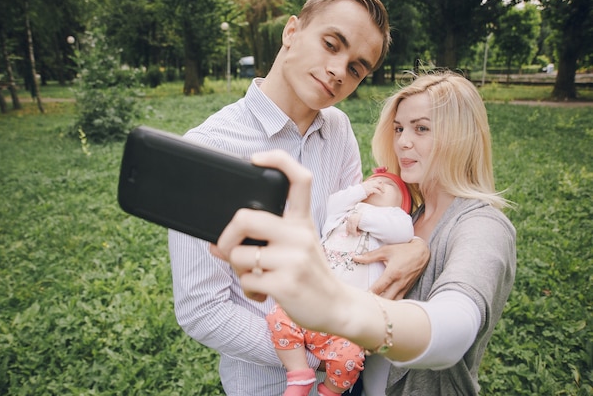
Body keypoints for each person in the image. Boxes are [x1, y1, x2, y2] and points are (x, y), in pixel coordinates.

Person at [168, 0, 430, 395]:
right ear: (292, 31)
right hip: (268, 384)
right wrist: (324, 347)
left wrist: (416, 246)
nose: (339, 71)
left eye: (357, 68)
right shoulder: (208, 149)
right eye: (331, 44)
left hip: (348, 376)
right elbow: (203, 310)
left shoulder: (338, 128)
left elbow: (347, 237)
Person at [211, 71, 517, 395]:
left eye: (422, 128)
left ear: (462, 136)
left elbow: (456, 327)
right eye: (399, 128)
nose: (403, 141)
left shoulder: (483, 226)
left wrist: (339, 308)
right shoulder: (406, 213)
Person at [267, 168, 414, 396]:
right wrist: (359, 192)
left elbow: (403, 231)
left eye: (389, 185)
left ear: (402, 204)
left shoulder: (394, 222)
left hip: (347, 322)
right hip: (313, 303)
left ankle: (332, 391)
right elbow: (334, 203)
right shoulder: (341, 214)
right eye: (372, 181)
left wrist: (365, 218)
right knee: (280, 316)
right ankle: (299, 375)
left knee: (351, 356)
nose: (378, 184)